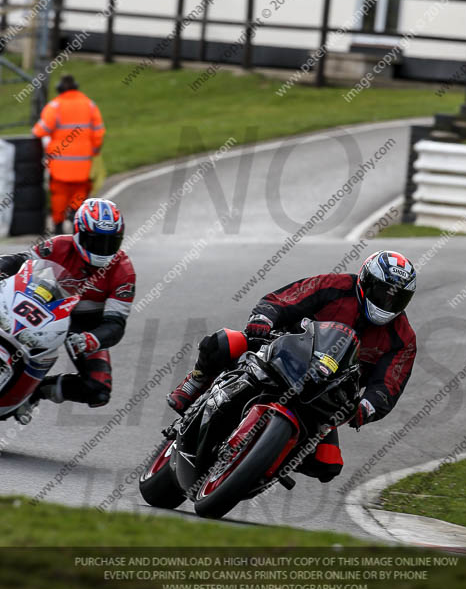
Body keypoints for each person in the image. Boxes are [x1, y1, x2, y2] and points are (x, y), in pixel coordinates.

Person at [167, 250, 417, 483]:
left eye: (397, 298)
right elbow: (285, 299)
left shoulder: (402, 338)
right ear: (366, 282)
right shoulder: (334, 286)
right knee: (224, 342)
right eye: (383, 293)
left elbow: (389, 384)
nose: (388, 303)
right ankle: (197, 380)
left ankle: (268, 461)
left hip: (324, 394)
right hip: (281, 354)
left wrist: (366, 407)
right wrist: (264, 318)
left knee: (328, 464)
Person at [0, 198, 135, 423]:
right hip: (43, 306)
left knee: (98, 389)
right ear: (79, 233)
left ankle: (35, 393)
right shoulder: (58, 245)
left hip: (84, 326)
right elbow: (20, 261)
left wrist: (92, 339)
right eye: (95, 240)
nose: (102, 249)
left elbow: (116, 323)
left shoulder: (124, 272)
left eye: (110, 242)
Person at [32, 74, 105, 235]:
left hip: (59, 165)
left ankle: (58, 226)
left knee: (59, 195)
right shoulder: (89, 105)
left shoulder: (55, 106)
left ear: (59, 89)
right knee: (79, 193)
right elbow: (99, 132)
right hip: (83, 164)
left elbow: (40, 130)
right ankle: (76, 221)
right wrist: (94, 151)